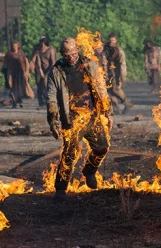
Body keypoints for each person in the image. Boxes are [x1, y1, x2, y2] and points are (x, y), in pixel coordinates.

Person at [46, 37, 113, 201]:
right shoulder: (56, 72)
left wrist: (108, 111)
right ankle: (60, 189)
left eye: (74, 53)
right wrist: (53, 120)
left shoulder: (89, 65)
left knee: (102, 147)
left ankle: (89, 171)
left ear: (78, 50)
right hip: (71, 120)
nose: (71, 57)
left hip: (91, 117)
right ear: (63, 54)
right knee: (69, 154)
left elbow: (101, 88)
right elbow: (52, 98)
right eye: (68, 55)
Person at [103, 33, 134, 114]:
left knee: (116, 90)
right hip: (107, 73)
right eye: (110, 41)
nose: (111, 42)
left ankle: (127, 104)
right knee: (108, 91)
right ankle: (114, 109)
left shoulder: (119, 51)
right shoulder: (105, 50)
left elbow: (122, 65)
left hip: (116, 74)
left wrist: (122, 77)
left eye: (113, 41)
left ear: (116, 41)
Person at [3, 41, 35, 108]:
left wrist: (26, 72)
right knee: (13, 88)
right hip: (13, 73)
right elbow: (6, 64)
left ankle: (19, 100)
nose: (14, 47)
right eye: (13, 46)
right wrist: (8, 74)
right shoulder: (9, 54)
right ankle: (14, 103)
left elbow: (25, 62)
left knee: (21, 88)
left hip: (20, 73)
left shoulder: (21, 53)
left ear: (17, 46)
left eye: (15, 46)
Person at [30, 36, 57, 107]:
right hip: (39, 69)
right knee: (39, 85)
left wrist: (47, 73)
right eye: (41, 42)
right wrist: (39, 70)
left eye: (43, 43)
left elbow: (53, 63)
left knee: (46, 84)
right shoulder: (37, 50)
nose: (42, 45)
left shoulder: (51, 49)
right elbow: (35, 60)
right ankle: (41, 102)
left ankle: (48, 100)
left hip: (49, 69)